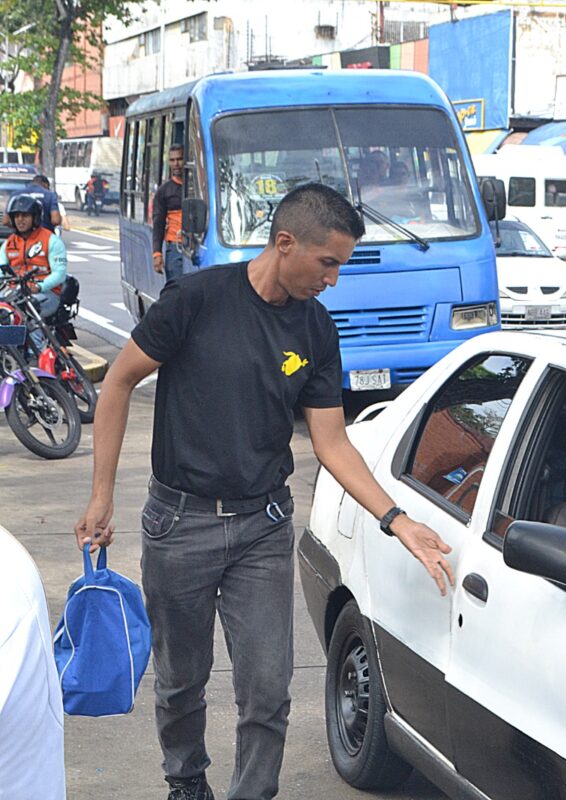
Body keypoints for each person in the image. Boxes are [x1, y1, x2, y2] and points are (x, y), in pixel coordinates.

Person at [74, 184, 456, 800]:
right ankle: (186, 780)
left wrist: (398, 519)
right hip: (179, 524)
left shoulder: (316, 329)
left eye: (340, 266)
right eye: (327, 263)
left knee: (268, 689)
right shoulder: (196, 299)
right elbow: (118, 382)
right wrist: (101, 495)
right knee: (180, 681)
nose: (333, 280)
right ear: (285, 243)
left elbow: (332, 442)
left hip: (263, 526)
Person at [0, 195, 67, 322]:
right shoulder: (9, 243)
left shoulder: (51, 241)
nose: (20, 220)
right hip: (14, 293)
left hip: (45, 293)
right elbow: (1, 269)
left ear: (35, 217)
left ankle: (37, 335)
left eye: (25, 216)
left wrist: (39, 286)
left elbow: (60, 273)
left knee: (28, 312)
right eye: (16, 216)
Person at [152, 144, 187, 281]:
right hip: (175, 249)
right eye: (172, 160)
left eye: (179, 159)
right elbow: (158, 223)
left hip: (196, 249)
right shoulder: (164, 191)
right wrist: (157, 254)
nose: (176, 164)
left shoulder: (197, 187)